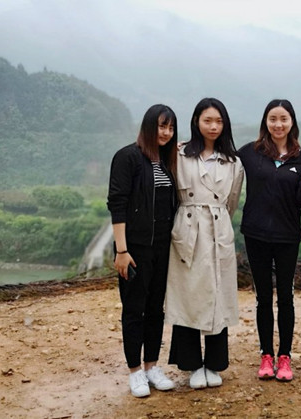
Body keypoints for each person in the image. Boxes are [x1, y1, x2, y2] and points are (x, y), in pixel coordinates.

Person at [238, 99, 301, 382]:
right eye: (273, 119)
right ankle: (266, 354)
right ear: (266, 121)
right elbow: (221, 159)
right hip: (256, 234)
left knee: (285, 296)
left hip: (286, 236)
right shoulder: (250, 152)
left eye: (283, 119)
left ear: (292, 122)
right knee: (263, 297)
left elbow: (300, 202)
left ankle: (284, 356)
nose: (278, 124)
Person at [165, 98, 244, 390]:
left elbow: (231, 202)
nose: (213, 126)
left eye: (219, 121)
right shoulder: (179, 154)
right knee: (188, 295)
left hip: (218, 228)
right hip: (187, 230)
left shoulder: (233, 161)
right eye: (207, 120)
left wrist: (217, 222)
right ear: (196, 121)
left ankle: (214, 363)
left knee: (217, 294)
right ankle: (191, 364)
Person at [107, 104, 178, 397]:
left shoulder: (167, 161)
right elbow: (117, 204)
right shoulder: (128, 157)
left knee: (156, 308)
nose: (166, 133)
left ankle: (152, 366)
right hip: (134, 248)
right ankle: (135, 371)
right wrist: (121, 250)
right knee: (134, 309)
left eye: (171, 128)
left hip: (162, 247)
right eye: (162, 126)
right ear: (149, 125)